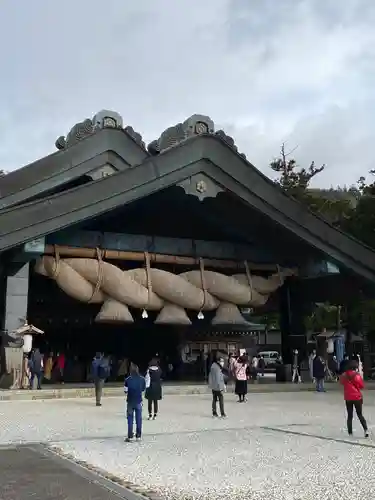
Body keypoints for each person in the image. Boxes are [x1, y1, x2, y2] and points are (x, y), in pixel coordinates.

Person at [340, 360, 369, 438]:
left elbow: (341, 382)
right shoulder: (356, 375)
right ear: (355, 367)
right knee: (360, 414)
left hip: (348, 398)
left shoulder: (344, 375)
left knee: (350, 415)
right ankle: (366, 430)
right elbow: (362, 386)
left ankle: (350, 432)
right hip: (357, 397)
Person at [124, 363, 146, 442]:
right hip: (138, 401)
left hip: (130, 401)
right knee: (138, 419)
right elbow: (143, 389)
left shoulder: (127, 380)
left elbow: (125, 391)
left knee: (130, 419)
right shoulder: (142, 379)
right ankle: (138, 436)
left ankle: (130, 436)